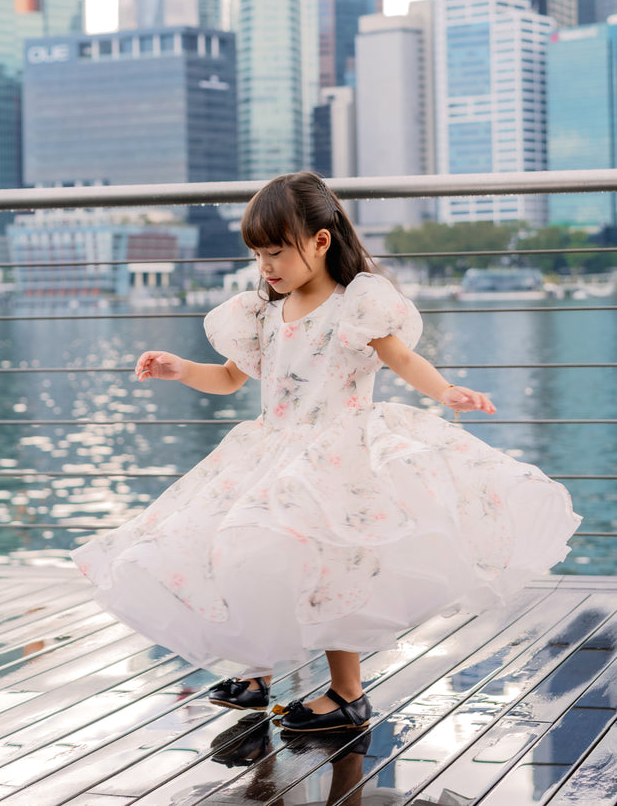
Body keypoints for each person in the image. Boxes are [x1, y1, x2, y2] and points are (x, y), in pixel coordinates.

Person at [72, 171, 581, 734]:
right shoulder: (262, 313)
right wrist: (180, 368)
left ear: (320, 241)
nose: (266, 267)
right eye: (259, 255)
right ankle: (257, 670)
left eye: (277, 253)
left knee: (332, 565)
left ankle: (347, 693)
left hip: (336, 454)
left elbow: (402, 360)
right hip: (270, 449)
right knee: (237, 547)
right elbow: (228, 378)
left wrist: (446, 391)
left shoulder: (356, 305)